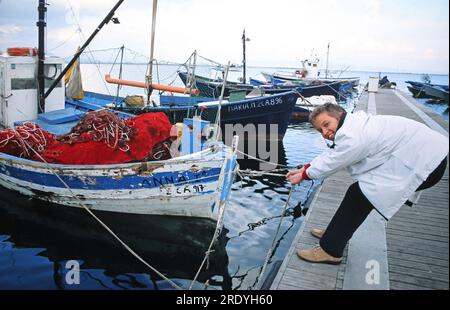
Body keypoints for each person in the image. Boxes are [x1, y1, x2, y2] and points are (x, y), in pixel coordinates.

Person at [286, 103, 449, 264]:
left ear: (338, 116)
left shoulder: (353, 135)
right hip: (421, 155)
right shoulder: (352, 125)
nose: (325, 132)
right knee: (358, 194)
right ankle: (333, 235)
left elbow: (335, 160)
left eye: (326, 124)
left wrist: (305, 175)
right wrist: (305, 169)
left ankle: (331, 249)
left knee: (359, 196)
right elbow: (333, 152)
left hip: (427, 162)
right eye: (320, 130)